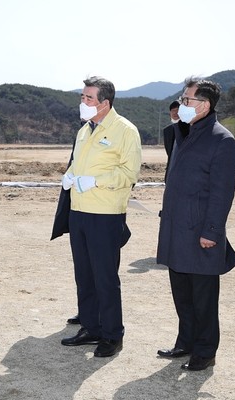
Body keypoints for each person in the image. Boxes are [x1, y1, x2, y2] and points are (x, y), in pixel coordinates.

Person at [156, 77, 235, 371]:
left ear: (205, 105)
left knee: (203, 298)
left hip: (200, 233)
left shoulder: (222, 140)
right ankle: (186, 342)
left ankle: (205, 351)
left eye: (188, 99)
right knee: (182, 292)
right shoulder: (184, 133)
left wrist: (212, 232)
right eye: (182, 97)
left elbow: (222, 192)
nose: (182, 104)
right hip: (176, 229)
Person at [59, 76, 141, 358]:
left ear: (105, 103)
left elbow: (129, 174)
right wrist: (71, 175)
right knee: (84, 274)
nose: (83, 102)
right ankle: (90, 327)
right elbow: (78, 163)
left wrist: (96, 180)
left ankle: (111, 334)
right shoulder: (85, 130)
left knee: (105, 277)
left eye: (88, 98)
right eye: (82, 97)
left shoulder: (125, 131)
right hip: (79, 212)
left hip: (105, 215)